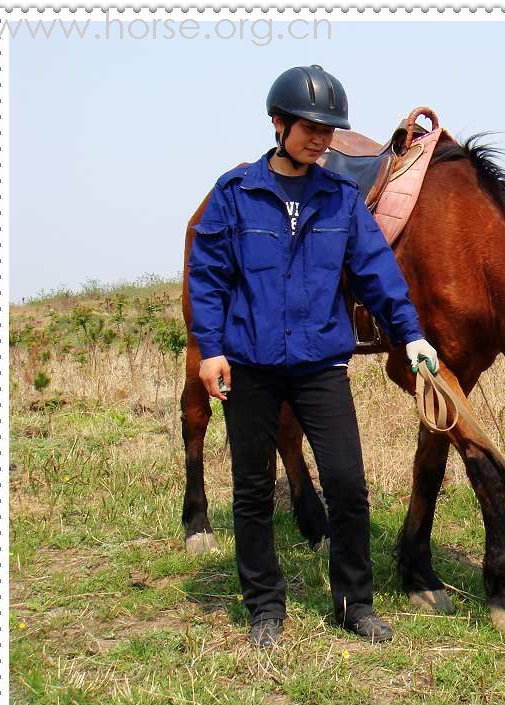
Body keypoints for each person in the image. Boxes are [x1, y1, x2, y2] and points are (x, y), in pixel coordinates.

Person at [187, 64, 439, 648]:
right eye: (310, 127)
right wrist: (210, 351)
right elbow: (208, 279)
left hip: (320, 365)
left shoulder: (341, 200)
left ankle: (354, 603)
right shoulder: (236, 194)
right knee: (252, 490)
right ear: (278, 123)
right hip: (248, 365)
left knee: (348, 485)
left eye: (329, 129)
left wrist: (412, 335)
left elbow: (378, 274)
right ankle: (265, 607)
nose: (321, 139)